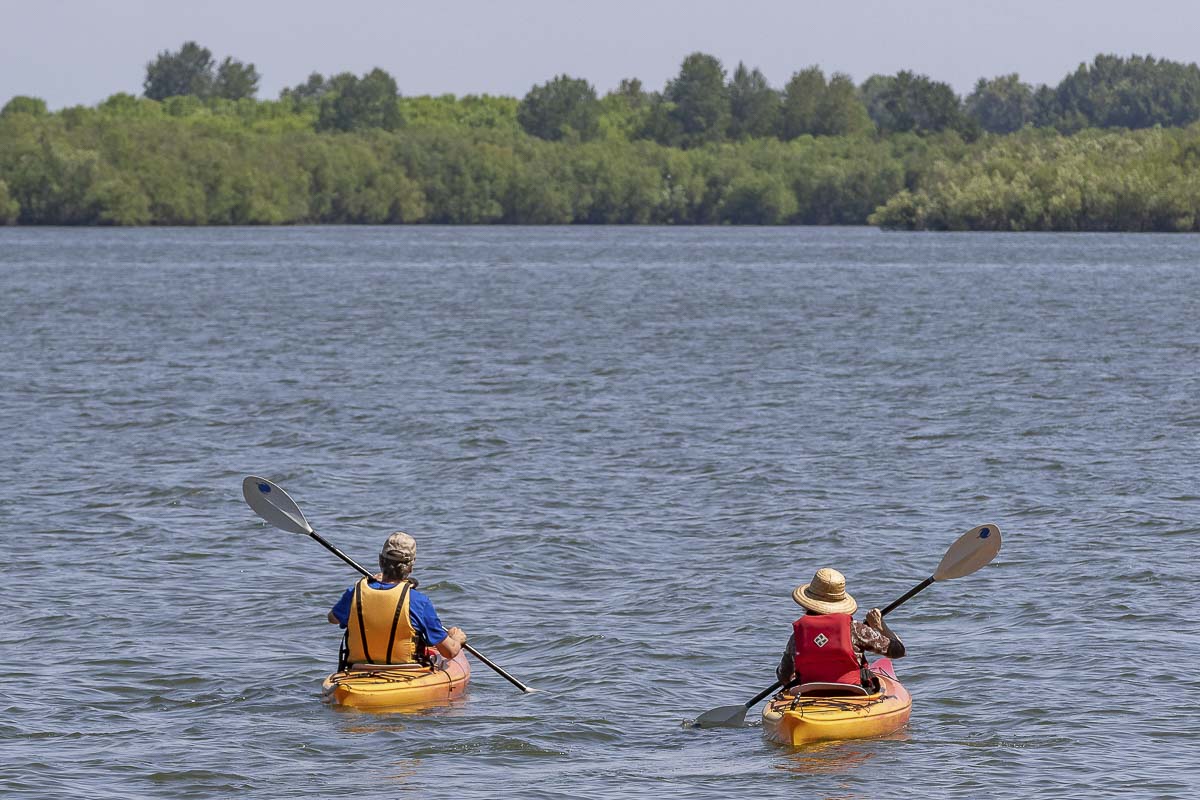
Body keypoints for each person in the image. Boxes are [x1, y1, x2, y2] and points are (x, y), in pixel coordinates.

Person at [327, 531, 468, 668]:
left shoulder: (355, 593)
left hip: (358, 668)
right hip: (406, 671)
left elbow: (333, 618)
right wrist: (456, 639)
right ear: (410, 567)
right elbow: (449, 652)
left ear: (380, 561)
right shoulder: (419, 601)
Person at [776, 567, 904, 689]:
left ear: (807, 603)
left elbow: (784, 676)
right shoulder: (856, 629)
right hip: (853, 691)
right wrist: (880, 626)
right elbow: (898, 651)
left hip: (810, 692)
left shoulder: (798, 635)